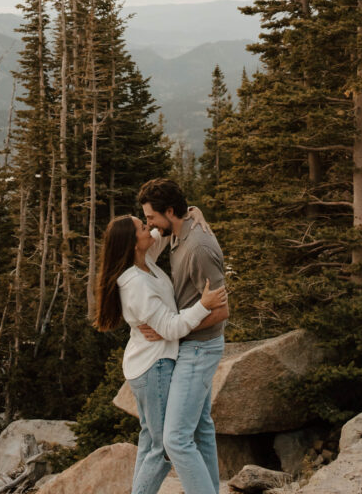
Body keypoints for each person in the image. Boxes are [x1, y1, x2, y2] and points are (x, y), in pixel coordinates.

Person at [94, 210, 227, 494]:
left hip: (150, 363)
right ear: (133, 243)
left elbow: (167, 224)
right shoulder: (136, 284)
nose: (149, 229)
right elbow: (170, 328)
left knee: (153, 440)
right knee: (163, 449)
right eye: (143, 227)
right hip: (155, 367)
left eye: (147, 221)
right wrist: (203, 304)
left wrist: (191, 211)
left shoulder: (145, 260)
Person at [137, 178, 228, 494]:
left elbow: (220, 312)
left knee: (174, 438)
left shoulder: (198, 247)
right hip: (187, 344)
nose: (149, 225)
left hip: (200, 349)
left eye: (151, 217)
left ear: (169, 211)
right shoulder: (175, 232)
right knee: (201, 430)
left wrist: (172, 328)